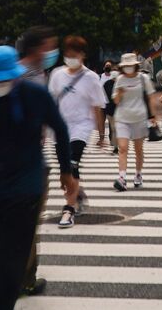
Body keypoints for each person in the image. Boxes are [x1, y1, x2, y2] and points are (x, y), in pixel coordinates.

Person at [0, 45, 76, 310]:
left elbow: (61, 130)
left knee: (9, 264)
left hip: (22, 192)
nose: (0, 83)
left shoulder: (25, 97)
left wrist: (67, 171)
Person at [14, 26, 62, 298]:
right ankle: (25, 278)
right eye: (49, 46)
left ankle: (10, 276)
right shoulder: (25, 78)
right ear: (36, 48)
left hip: (8, 159)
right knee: (29, 221)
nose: (52, 52)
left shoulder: (35, 74)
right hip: (27, 162)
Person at [49, 35, 105, 228]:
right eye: (68, 54)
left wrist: (102, 134)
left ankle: (68, 210)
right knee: (65, 169)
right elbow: (51, 103)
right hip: (60, 127)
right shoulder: (57, 75)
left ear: (82, 55)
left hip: (81, 126)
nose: (70, 58)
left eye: (74, 54)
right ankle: (77, 192)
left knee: (72, 165)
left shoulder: (91, 77)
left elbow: (98, 107)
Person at [110, 52, 159, 190]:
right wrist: (119, 93)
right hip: (122, 118)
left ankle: (138, 174)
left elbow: (151, 97)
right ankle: (122, 177)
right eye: (126, 66)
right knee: (123, 148)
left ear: (135, 65)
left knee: (138, 149)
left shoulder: (143, 78)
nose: (128, 68)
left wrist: (153, 116)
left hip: (139, 118)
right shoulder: (119, 79)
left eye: (131, 65)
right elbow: (115, 100)